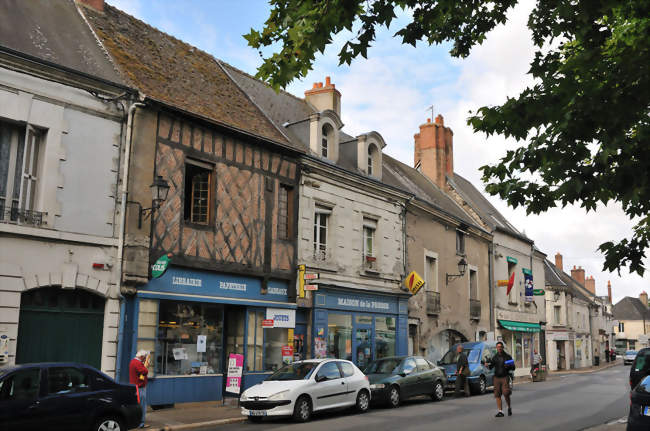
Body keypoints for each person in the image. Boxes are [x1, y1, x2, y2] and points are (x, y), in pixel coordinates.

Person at [487, 341, 514, 417]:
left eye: (500, 347)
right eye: (498, 347)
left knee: (506, 393)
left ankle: (509, 407)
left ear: (502, 348)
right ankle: (500, 411)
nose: (499, 348)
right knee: (497, 395)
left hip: (505, 377)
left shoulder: (508, 357)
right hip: (496, 378)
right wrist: (487, 365)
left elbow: (513, 367)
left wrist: (508, 366)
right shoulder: (494, 357)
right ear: (496, 348)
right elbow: (491, 367)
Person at [130, 350, 150, 428]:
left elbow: (141, 374)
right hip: (140, 388)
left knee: (138, 405)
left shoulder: (133, 362)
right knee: (142, 406)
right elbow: (145, 371)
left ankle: (136, 422)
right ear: (141, 357)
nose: (145, 359)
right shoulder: (137, 363)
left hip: (136, 387)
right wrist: (146, 365)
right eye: (144, 358)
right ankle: (140, 423)